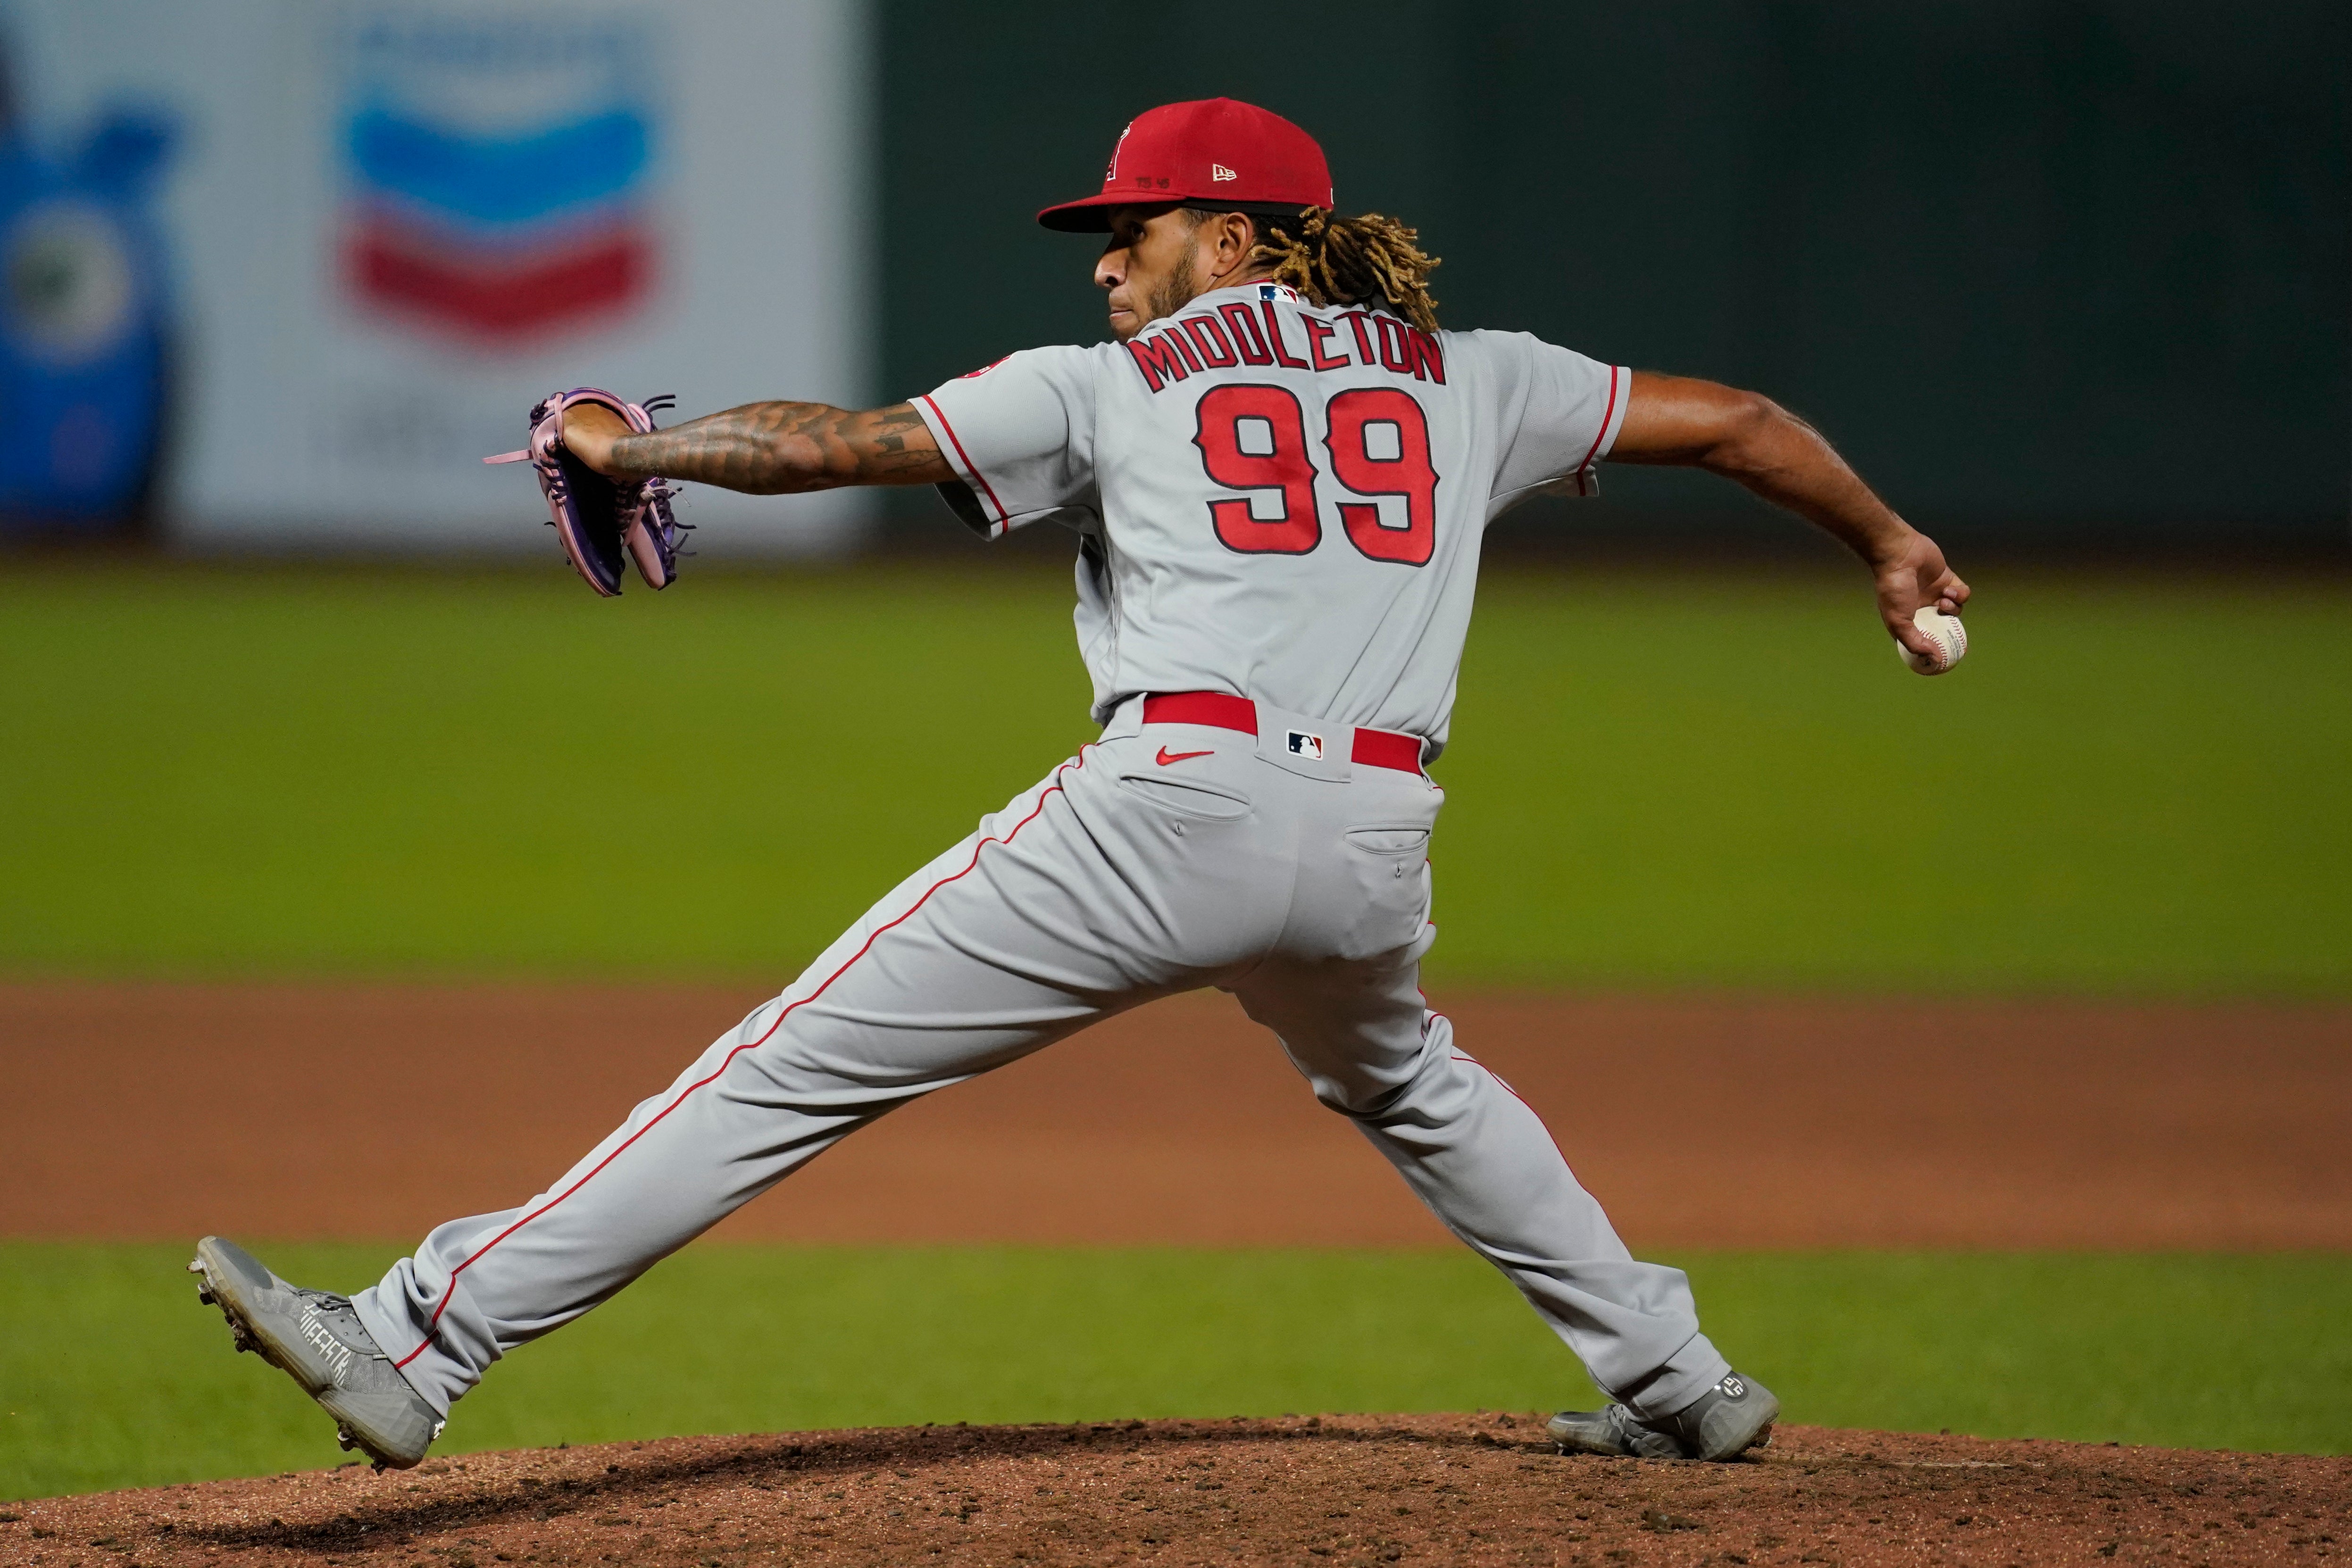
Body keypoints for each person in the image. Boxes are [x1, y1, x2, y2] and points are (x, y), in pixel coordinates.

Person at [192, 97, 1968, 1472]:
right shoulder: (1478, 378)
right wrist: (1885, 540)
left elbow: (845, 448)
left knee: (790, 1065)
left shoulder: (1109, 387)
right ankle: (1678, 1377)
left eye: (1134, 226)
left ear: (1240, 229)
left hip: (1169, 810)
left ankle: (426, 1337)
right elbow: (1737, 423)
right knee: (1409, 1078)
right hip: (1369, 844)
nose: (1106, 259)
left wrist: (629, 443)